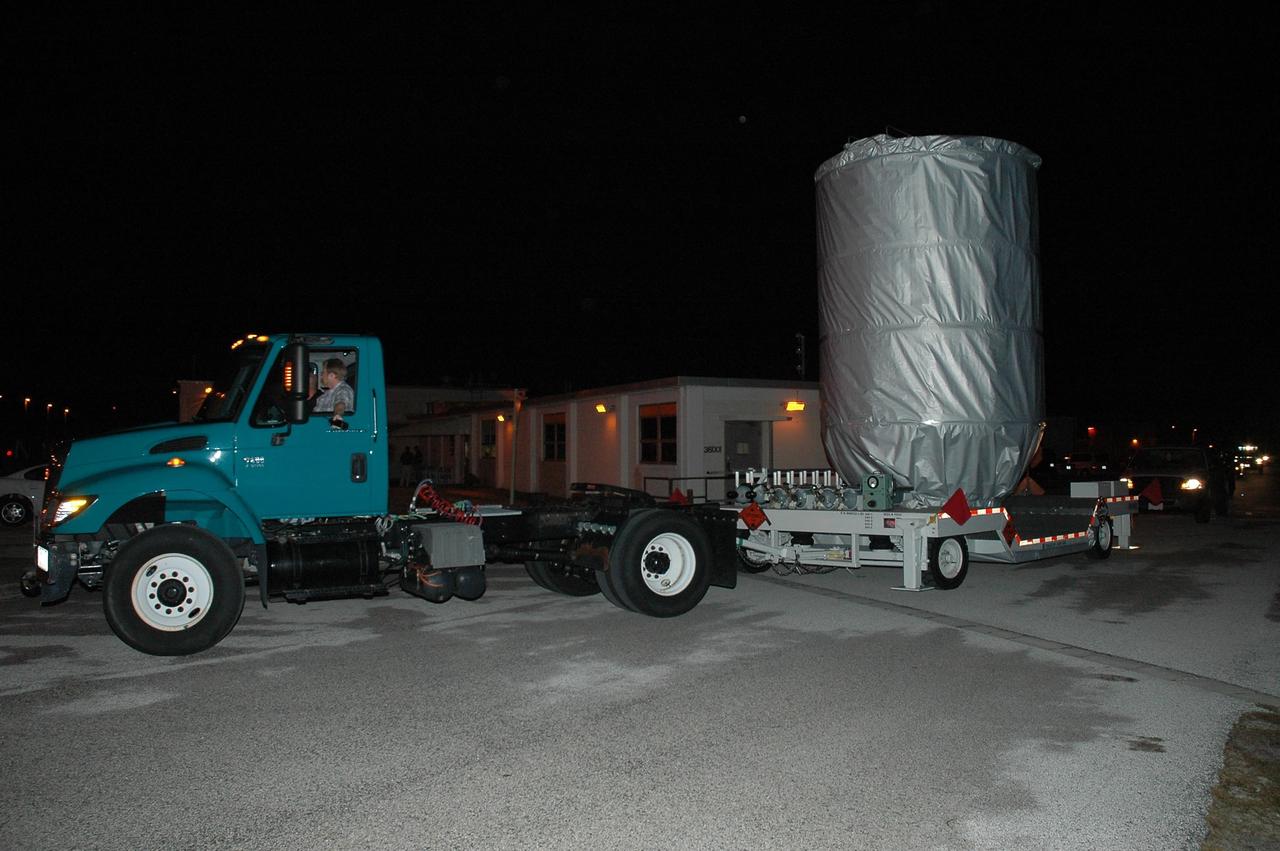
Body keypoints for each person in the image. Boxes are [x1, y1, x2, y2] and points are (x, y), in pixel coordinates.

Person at [313, 358, 354, 428]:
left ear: (332, 375)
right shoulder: (324, 396)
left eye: (323, 373)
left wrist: (337, 416)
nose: (321, 376)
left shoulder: (344, 390)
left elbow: (341, 403)